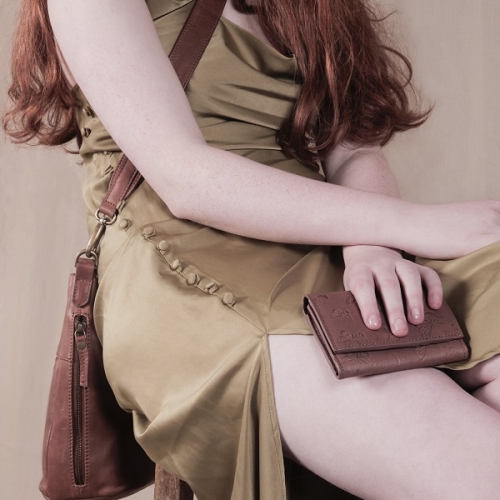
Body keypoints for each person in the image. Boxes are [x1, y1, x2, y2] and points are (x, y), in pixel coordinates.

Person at [4, 0, 500, 498]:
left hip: (329, 230)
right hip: (180, 264)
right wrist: (418, 224)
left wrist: (374, 249)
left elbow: (352, 147)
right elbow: (183, 176)